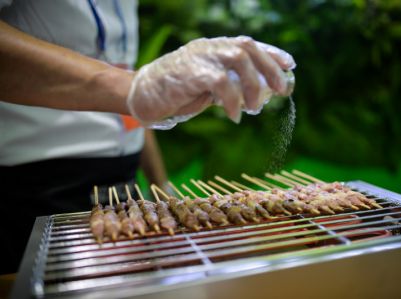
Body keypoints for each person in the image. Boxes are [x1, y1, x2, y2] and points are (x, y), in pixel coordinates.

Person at [0, 0, 295, 274]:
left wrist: (159, 182)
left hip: (124, 178)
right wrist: (133, 86)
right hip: (36, 181)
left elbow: (131, 101)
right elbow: (130, 87)